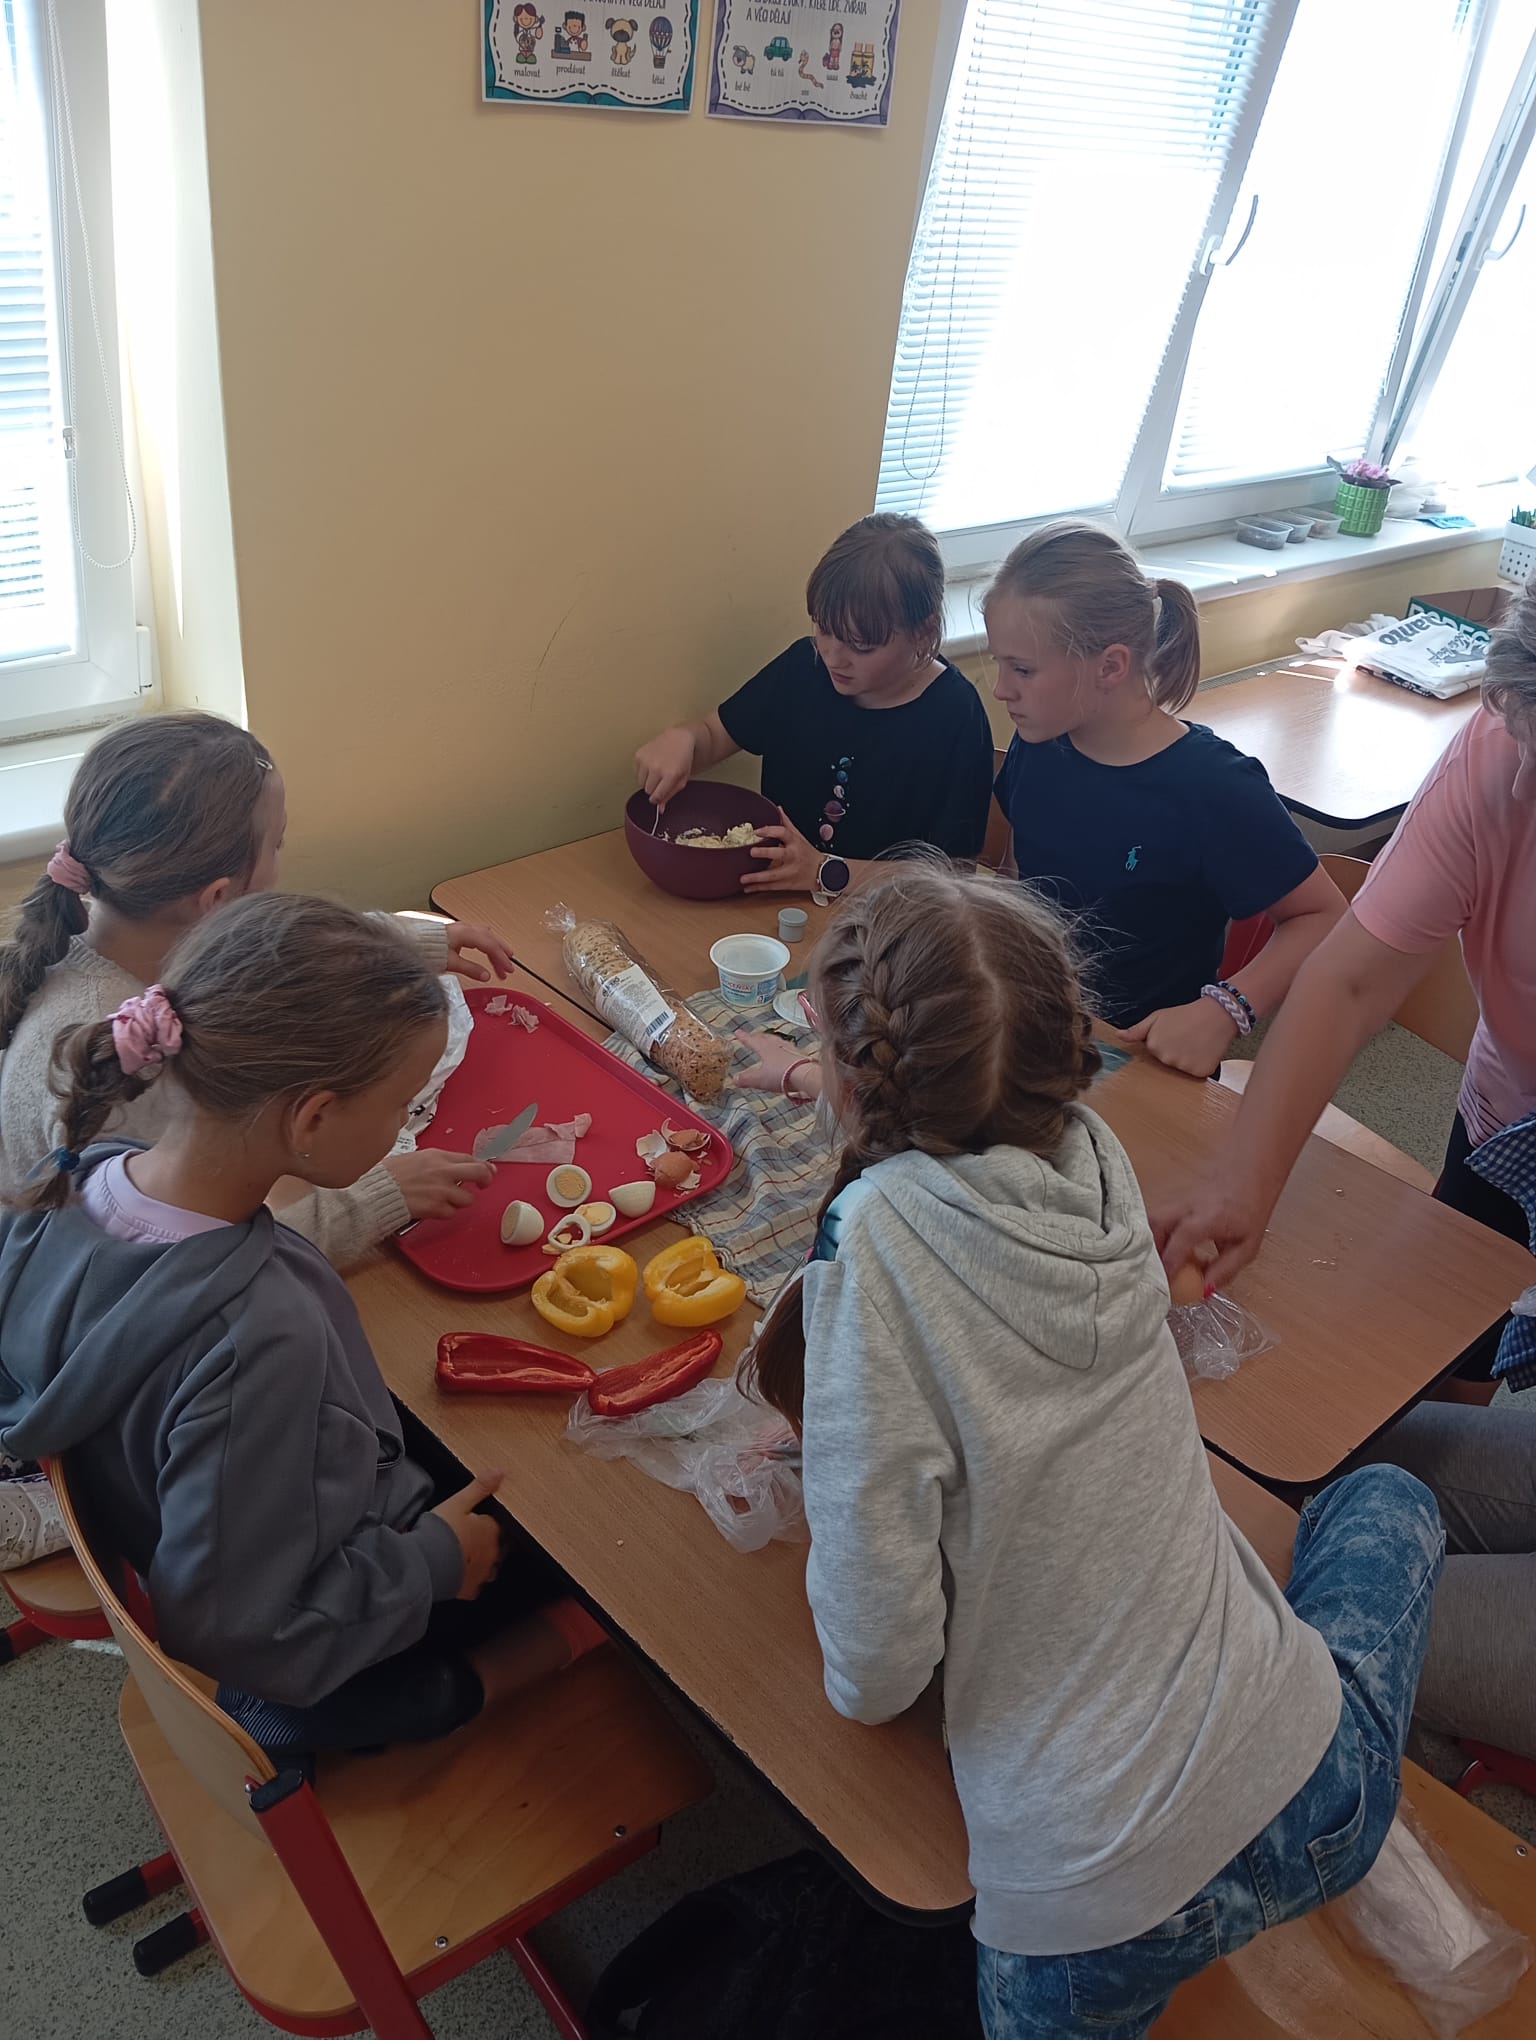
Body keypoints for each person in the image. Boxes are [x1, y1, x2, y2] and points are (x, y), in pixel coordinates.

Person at [740, 865, 1442, 2039]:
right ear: (1066, 1051)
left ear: (847, 1082)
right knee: (1384, 1495)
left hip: (1091, 1916)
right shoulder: (1094, 1156)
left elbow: (875, 1673)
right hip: (1328, 1797)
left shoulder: (870, 1262)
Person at [0, 894, 604, 1755]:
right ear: (313, 1118)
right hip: (309, 1617)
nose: (404, 1125)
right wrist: (435, 1560)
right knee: (585, 1537)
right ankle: (509, 1666)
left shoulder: (80, 1173)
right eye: (401, 1104)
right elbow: (243, 1624)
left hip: (188, 1525)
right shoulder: (259, 1334)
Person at [1154, 582, 1536, 1759]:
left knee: (1307, 1622)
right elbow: (1354, 978)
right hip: (1515, 1120)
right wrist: (1243, 1189)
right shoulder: (1501, 750)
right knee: (1349, 1460)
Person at [0, 713, 510, 1261]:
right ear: (219, 899)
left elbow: (276, 947)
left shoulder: (105, 942)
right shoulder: (121, 1067)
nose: (280, 861)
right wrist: (376, 1199)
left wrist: (407, 943)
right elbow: (180, 1267)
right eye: (277, 844)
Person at [986, 521, 1345, 1075]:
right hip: (1035, 1030)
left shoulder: (1215, 786)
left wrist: (1227, 1009)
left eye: (1023, 669)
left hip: (1143, 1058)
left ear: (1110, 666)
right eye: (999, 663)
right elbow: (1018, 875)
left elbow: (1324, 917)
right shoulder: (1038, 742)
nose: (1000, 688)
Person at [634, 514, 995, 901]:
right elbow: (715, 734)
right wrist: (685, 739)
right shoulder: (803, 669)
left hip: (883, 918)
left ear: (924, 634)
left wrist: (825, 871)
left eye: (861, 646)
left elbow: (954, 875)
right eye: (823, 628)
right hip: (776, 903)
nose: (833, 657)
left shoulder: (955, 716)